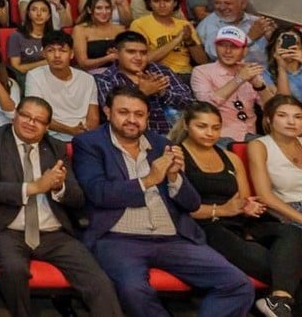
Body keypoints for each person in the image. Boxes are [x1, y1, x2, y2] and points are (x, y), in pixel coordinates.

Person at [71, 88, 254, 317]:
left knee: (237, 284)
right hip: (118, 238)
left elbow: (192, 203)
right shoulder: (89, 144)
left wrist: (175, 177)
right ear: (108, 112)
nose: (131, 120)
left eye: (139, 114)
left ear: (147, 117)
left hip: (173, 236)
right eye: (123, 112)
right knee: (133, 290)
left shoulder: (160, 144)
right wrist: (149, 180)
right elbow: (98, 193)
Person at [0, 97, 123, 317]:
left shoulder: (56, 147)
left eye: (39, 120)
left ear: (46, 127)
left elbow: (78, 198)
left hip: (54, 232)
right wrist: (34, 187)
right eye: (26, 116)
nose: (30, 123)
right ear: (15, 114)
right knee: (15, 271)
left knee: (97, 279)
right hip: (8, 230)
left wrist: (59, 187)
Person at [171, 101, 302, 317]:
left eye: (216, 128)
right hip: (205, 225)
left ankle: (278, 299)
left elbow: (243, 199)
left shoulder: (230, 157)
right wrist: (223, 210)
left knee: (292, 233)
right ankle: (278, 302)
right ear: (187, 125)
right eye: (202, 126)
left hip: (240, 221)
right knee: (288, 267)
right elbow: (181, 207)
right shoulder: (178, 156)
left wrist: (248, 206)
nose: (210, 133)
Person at [92, 31, 192, 136]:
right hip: (134, 139)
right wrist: (142, 93)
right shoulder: (106, 79)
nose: (138, 58)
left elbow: (190, 103)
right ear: (116, 54)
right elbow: (113, 116)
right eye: (131, 52)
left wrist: (162, 92)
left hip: (176, 136)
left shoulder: (161, 70)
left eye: (143, 53)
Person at [192, 26, 279, 141]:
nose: (228, 51)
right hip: (219, 137)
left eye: (234, 46)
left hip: (251, 138)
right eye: (222, 45)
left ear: (244, 50)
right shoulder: (201, 71)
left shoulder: (249, 71)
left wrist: (260, 86)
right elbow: (207, 105)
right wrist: (239, 79)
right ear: (215, 47)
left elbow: (273, 109)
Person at [26, 30, 100, 141]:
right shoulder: (34, 76)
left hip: (84, 135)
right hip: (49, 136)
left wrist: (85, 134)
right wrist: (71, 130)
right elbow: (37, 113)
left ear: (71, 54)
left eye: (62, 51)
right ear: (43, 53)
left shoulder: (87, 79)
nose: (57, 55)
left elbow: (93, 117)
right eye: (50, 50)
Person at [130, 0, 207, 77]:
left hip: (187, 74)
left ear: (175, 3)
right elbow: (143, 60)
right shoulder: (139, 24)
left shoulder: (185, 25)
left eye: (167, 0)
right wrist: (177, 40)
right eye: (156, 1)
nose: (162, 5)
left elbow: (203, 61)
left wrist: (189, 41)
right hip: (158, 75)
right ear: (149, 3)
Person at [247, 95, 302, 228]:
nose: (291, 122)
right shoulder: (259, 146)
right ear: (268, 120)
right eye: (282, 115)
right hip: (286, 210)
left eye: (298, 117)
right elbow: (265, 196)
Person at [198, 0, 276, 65]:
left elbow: (274, 53)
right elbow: (214, 54)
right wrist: (249, 38)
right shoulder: (210, 23)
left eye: (227, 3)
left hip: (264, 71)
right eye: (217, 3)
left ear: (243, 4)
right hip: (229, 74)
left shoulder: (256, 22)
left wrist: (272, 38)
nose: (222, 7)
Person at [72, 0, 125, 72]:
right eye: (99, 8)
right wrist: (107, 58)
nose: (104, 12)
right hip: (92, 74)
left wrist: (120, 56)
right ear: (89, 10)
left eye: (107, 8)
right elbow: (83, 63)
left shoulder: (120, 29)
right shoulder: (80, 30)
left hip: (120, 72)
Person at [266, 27, 302, 100]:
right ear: (274, 48)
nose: (289, 47)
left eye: (295, 42)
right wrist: (282, 69)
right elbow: (283, 103)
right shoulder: (265, 74)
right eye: (281, 42)